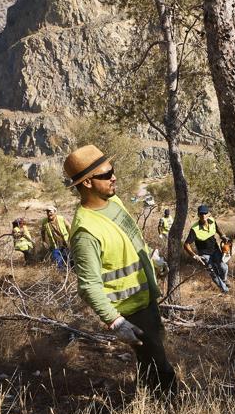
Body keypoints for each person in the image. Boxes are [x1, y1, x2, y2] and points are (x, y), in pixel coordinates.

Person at [64, 144, 177, 397]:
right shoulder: (85, 232)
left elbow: (131, 237)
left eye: (112, 170)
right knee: (159, 364)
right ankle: (169, 408)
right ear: (88, 183)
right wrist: (116, 322)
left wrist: (150, 259)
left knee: (151, 359)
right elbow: (89, 286)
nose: (114, 177)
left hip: (146, 298)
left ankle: (149, 402)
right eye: (106, 174)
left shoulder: (112, 200)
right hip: (130, 309)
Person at [183, 204, 230, 294]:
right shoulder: (195, 229)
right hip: (204, 254)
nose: (203, 215)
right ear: (198, 215)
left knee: (223, 267)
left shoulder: (212, 221)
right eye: (201, 214)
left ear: (208, 214)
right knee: (213, 273)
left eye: (205, 213)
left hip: (215, 250)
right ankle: (225, 291)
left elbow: (217, 229)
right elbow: (186, 244)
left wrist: (223, 236)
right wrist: (195, 256)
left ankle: (223, 281)